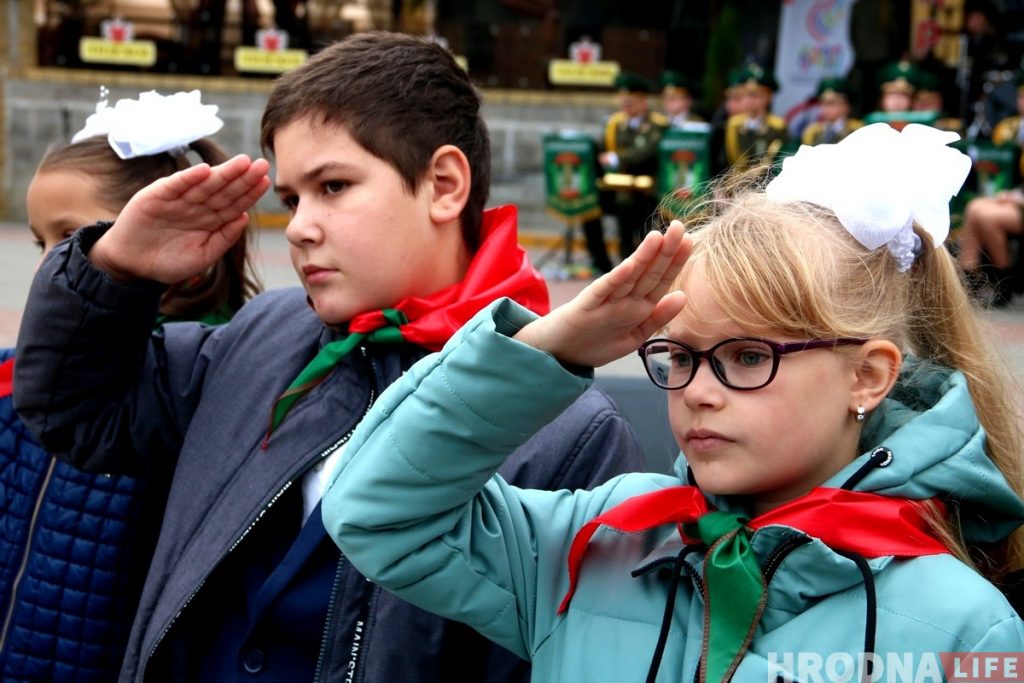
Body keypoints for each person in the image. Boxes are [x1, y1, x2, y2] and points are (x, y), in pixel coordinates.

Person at [13, 32, 646, 682]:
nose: (297, 226)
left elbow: (571, 655)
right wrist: (112, 270)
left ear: (445, 184)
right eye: (290, 198)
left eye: (334, 186)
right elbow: (74, 410)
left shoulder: (570, 429)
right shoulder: (261, 337)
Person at [324, 122, 1024, 682]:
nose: (698, 391)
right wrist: (542, 348)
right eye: (681, 356)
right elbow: (375, 509)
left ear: (867, 377)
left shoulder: (968, 626)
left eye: (748, 356)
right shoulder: (598, 538)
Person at [1, 89, 260, 682]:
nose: (51, 265)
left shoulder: (206, 389)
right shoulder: (21, 374)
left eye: (70, 239)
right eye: (42, 242)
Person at [582, 72, 667, 274]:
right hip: (616, 184)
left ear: (643, 101)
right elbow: (602, 151)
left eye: (631, 103)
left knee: (625, 204)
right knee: (587, 205)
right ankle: (601, 263)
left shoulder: (657, 124)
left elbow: (646, 152)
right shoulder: (614, 124)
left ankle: (628, 261)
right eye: (624, 102)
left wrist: (617, 158)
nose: (626, 107)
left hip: (645, 189)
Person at [957, 72, 1024, 305]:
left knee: (987, 216)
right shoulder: (1014, 129)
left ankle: (1003, 281)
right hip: (1018, 196)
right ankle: (969, 276)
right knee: (975, 206)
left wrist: (1017, 199)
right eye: (1022, 97)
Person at [723, 63, 789, 171]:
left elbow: (779, 161)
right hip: (738, 183)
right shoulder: (734, 124)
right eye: (745, 95)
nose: (748, 100)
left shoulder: (777, 126)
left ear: (768, 98)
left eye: (755, 95)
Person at [801, 77, 863, 146]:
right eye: (822, 102)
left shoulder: (858, 130)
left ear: (846, 106)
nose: (824, 107)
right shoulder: (813, 132)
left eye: (831, 103)